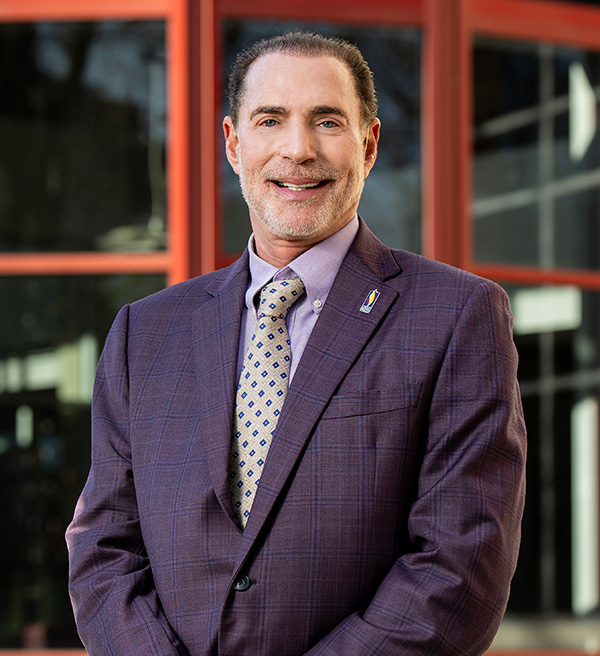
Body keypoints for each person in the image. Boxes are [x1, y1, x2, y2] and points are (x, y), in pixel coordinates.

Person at [66, 31, 526, 656]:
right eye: (271, 120)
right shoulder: (143, 334)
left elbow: (459, 566)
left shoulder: (457, 316)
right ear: (234, 143)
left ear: (367, 146)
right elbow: (105, 550)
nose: (298, 148)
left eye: (327, 122)